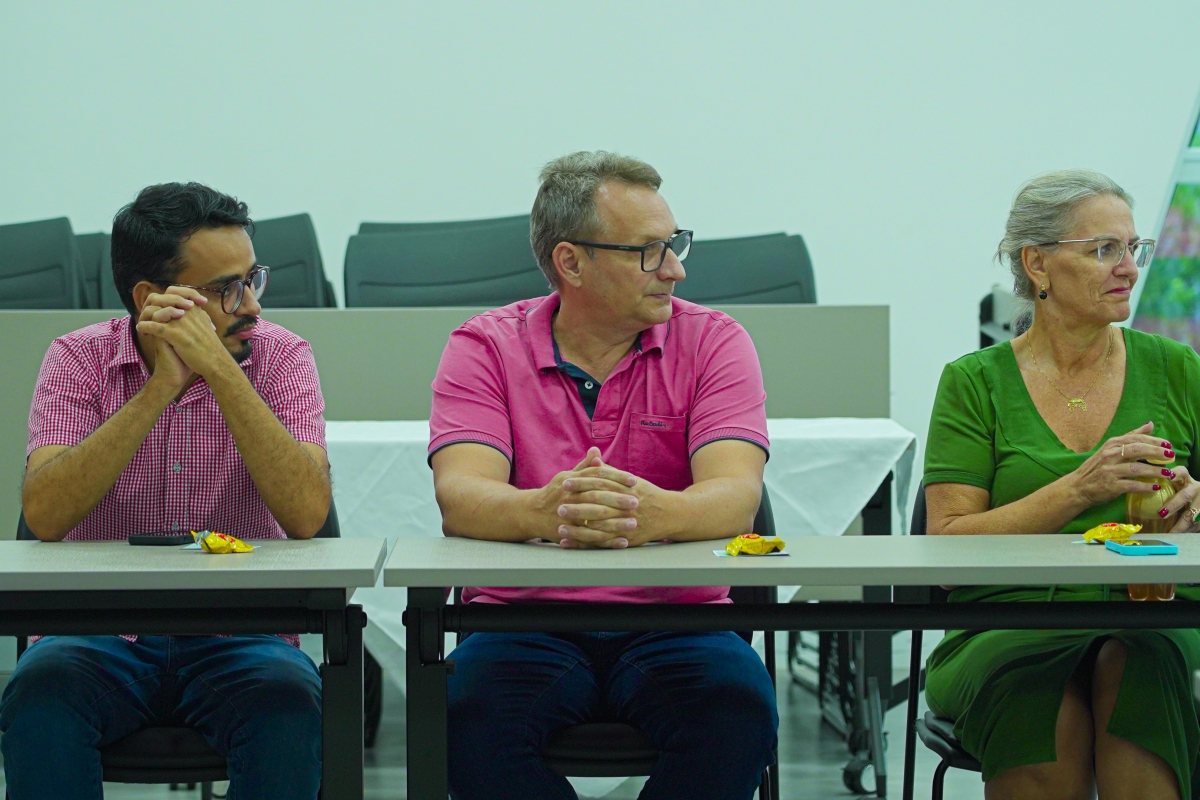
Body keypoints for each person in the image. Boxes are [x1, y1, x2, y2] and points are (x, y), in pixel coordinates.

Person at [429, 151, 777, 800]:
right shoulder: (486, 346)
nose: (674, 269)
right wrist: (547, 510)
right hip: (519, 622)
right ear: (571, 262)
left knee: (736, 711)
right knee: (461, 717)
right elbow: (461, 496)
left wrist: (654, 514)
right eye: (648, 252)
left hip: (678, 619)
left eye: (674, 244)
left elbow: (737, 497)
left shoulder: (714, 341)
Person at [0, 182, 331, 799]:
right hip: (95, 631)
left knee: (289, 703)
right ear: (152, 298)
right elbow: (44, 514)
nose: (252, 307)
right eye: (227, 289)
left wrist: (220, 372)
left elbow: (308, 514)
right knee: (41, 695)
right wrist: (158, 390)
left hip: (242, 633)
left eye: (252, 280)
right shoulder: (77, 359)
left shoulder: (282, 357)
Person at [923, 169, 1200, 800]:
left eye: (1133, 248)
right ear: (1037, 264)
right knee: (1034, 695)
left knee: (1142, 670)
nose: (1128, 268)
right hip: (1007, 620)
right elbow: (947, 546)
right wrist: (1078, 489)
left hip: (1154, 611)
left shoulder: (1177, 368)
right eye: (1104, 249)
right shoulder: (974, 382)